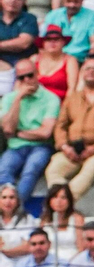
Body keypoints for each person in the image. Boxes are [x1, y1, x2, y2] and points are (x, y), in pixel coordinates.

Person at [43, 52, 94, 199]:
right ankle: (61, 204)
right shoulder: (73, 97)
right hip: (72, 150)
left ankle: (64, 205)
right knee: (54, 170)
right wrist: (65, 147)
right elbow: (61, 125)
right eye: (87, 69)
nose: (90, 72)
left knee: (88, 172)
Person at [0, 55, 57, 201]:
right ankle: (7, 208)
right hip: (15, 148)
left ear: (37, 73)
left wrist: (17, 133)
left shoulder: (51, 98)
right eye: (21, 78)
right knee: (3, 170)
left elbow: (45, 133)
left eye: (30, 75)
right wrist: (18, 99)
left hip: (41, 147)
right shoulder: (9, 98)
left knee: (30, 170)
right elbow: (7, 129)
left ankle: (15, 208)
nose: (26, 80)